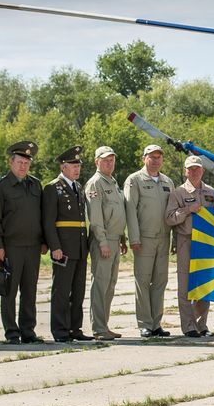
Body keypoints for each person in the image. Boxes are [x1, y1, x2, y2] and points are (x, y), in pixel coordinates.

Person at [0, 141, 43, 344]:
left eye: (26, 163)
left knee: (29, 291)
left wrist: (44, 242)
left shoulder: (35, 184)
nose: (23, 166)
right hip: (11, 247)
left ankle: (28, 332)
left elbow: (42, 215)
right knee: (9, 292)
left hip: (33, 246)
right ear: (11, 162)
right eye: (20, 162)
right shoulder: (1, 187)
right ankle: (12, 333)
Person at [124, 143, 176, 338]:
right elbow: (130, 210)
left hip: (163, 238)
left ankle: (156, 323)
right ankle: (145, 323)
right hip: (144, 239)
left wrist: (172, 240)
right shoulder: (134, 180)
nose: (155, 161)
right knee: (143, 281)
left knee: (160, 281)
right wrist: (134, 238)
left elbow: (171, 212)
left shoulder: (167, 182)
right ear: (144, 158)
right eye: (151, 157)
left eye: (158, 157)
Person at [42, 146, 92, 342]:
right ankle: (60, 330)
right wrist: (55, 246)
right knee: (62, 291)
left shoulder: (78, 187)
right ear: (63, 167)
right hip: (63, 247)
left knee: (78, 291)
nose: (77, 168)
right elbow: (48, 221)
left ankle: (75, 328)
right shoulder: (53, 188)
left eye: (78, 164)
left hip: (79, 246)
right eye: (73, 165)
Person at [165, 156, 214, 337]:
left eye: (197, 168)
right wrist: (188, 210)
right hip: (186, 240)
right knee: (185, 286)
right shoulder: (178, 193)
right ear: (185, 171)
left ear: (202, 171)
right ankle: (188, 326)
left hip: (206, 243)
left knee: (205, 284)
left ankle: (201, 324)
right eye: (190, 169)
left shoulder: (211, 192)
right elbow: (170, 218)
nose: (194, 172)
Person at [84, 145, 127, 340]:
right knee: (100, 284)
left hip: (115, 239)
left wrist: (122, 238)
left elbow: (118, 213)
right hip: (104, 240)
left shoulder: (112, 182)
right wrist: (102, 242)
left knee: (110, 284)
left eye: (112, 160)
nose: (109, 163)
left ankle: (104, 325)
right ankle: (98, 328)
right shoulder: (95, 183)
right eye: (105, 160)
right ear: (97, 162)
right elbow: (96, 218)